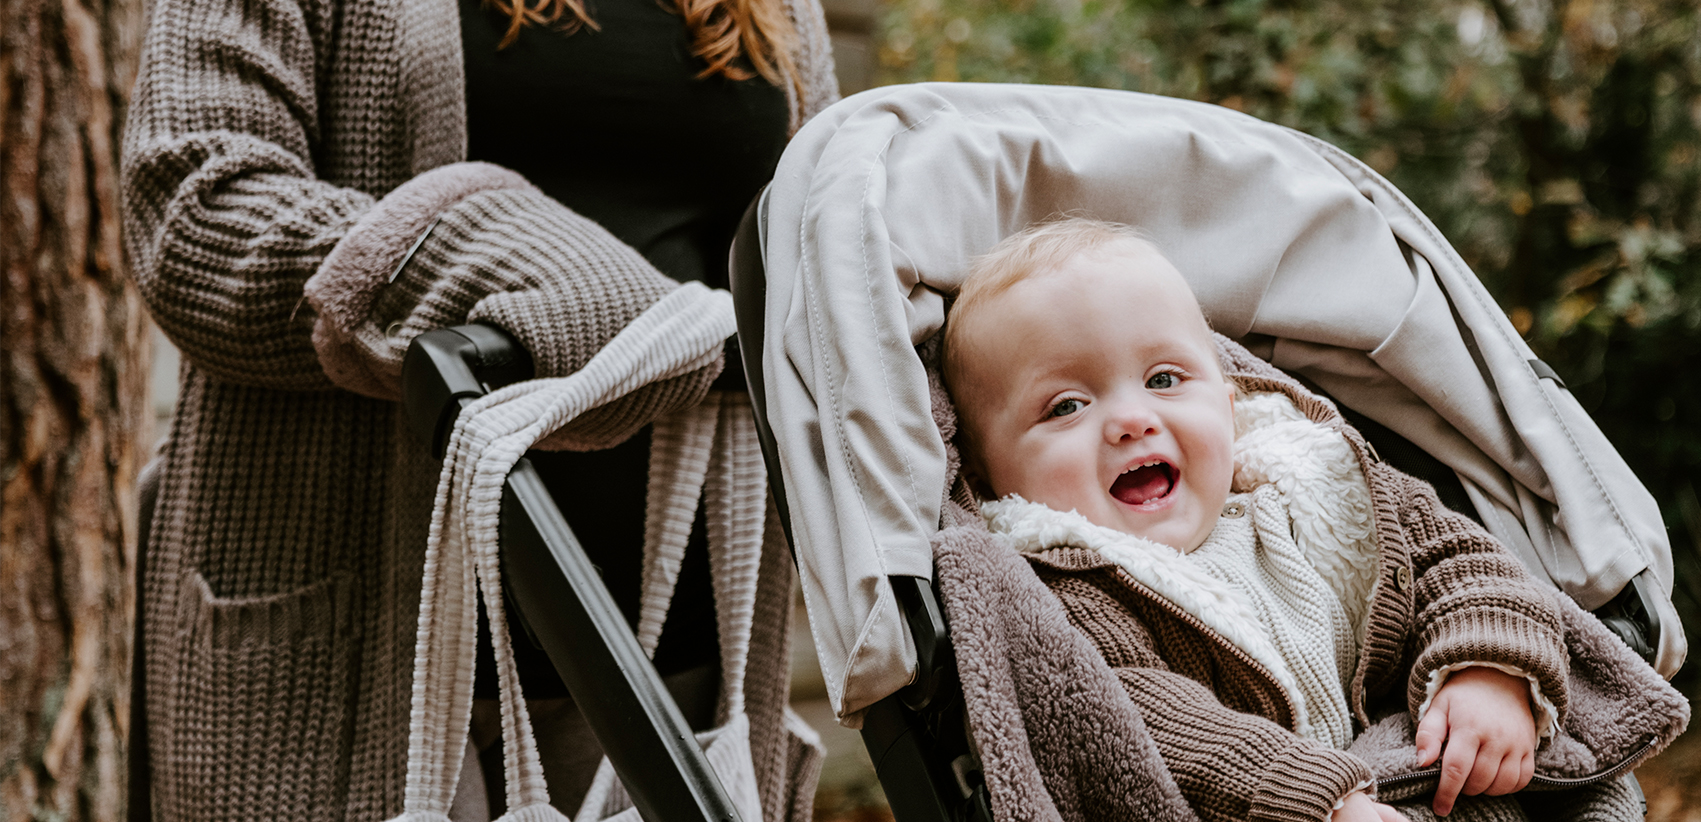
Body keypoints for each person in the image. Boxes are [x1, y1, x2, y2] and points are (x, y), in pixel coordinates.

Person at [120, 0, 837, 818]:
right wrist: (525, 272)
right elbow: (195, 206)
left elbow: (806, 261)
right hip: (347, 665)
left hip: (673, 661)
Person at [939, 217, 1679, 822]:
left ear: (1230, 404)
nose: (1132, 420)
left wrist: (1486, 668)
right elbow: (1149, 723)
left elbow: (1463, 559)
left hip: (1443, 770)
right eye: (1066, 406)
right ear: (987, 475)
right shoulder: (1063, 587)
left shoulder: (1320, 489)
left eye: (1163, 379)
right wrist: (1318, 799)